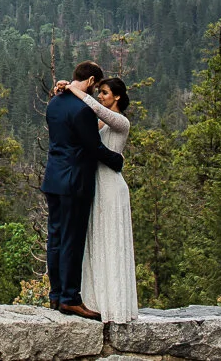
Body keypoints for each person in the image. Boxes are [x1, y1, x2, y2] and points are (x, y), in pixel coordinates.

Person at [41, 61, 124, 319]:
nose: (96, 91)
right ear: (90, 81)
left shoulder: (54, 103)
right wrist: (116, 160)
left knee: (54, 237)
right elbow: (93, 147)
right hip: (74, 181)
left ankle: (55, 294)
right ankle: (70, 298)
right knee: (72, 239)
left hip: (53, 178)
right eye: (96, 86)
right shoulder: (83, 110)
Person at [61, 74, 138, 323]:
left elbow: (92, 107)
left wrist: (75, 88)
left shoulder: (121, 122)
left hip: (112, 188)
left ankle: (116, 304)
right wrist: (64, 89)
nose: (100, 96)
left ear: (117, 96)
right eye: (99, 92)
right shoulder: (100, 124)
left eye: (105, 92)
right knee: (96, 242)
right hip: (96, 186)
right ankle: (98, 301)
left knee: (112, 242)